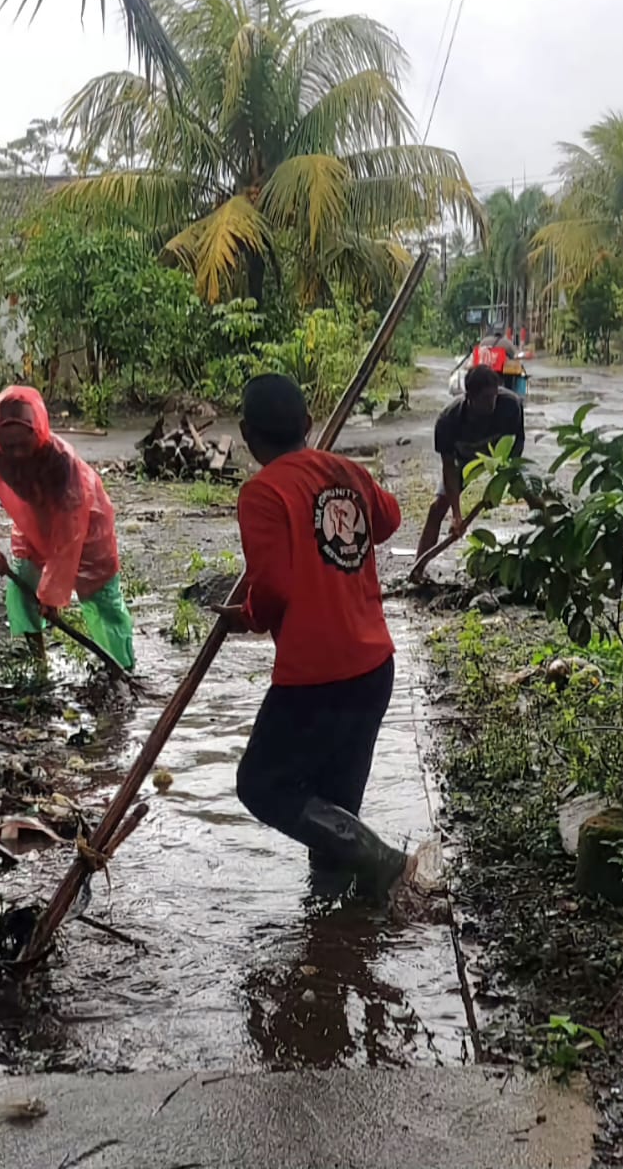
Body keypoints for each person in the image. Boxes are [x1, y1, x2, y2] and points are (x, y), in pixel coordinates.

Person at [213, 373, 431, 902]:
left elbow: (276, 588)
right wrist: (336, 485)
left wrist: (247, 616)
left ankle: (384, 862)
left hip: (315, 676)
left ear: (245, 433)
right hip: (373, 666)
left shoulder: (262, 493)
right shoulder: (347, 472)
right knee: (334, 810)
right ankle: (335, 936)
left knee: (262, 786)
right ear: (308, 425)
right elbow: (388, 520)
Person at [0, 385, 134, 670]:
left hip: (87, 524)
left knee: (101, 597)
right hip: (35, 521)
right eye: (9, 447)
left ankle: (120, 667)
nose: (18, 454)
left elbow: (69, 536)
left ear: (39, 432)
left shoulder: (61, 462)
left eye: (24, 445)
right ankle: (39, 661)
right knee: (22, 587)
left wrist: (53, 594)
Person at [412, 364, 525, 576]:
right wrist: (456, 514)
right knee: (437, 509)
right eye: (484, 399)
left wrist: (499, 486)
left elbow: (516, 447)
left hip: (499, 456)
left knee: (531, 494)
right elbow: (449, 468)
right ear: (469, 397)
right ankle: (418, 568)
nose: (491, 404)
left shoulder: (511, 406)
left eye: (493, 396)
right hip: (463, 462)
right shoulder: (448, 421)